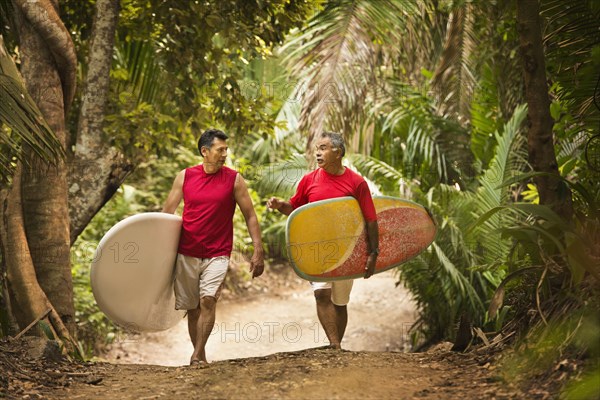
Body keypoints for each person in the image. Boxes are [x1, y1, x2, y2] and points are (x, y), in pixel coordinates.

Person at [267, 131, 379, 350]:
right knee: (321, 294)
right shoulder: (309, 180)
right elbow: (296, 211)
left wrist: (373, 254)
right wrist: (281, 205)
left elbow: (371, 220)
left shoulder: (357, 183)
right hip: (317, 248)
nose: (317, 153)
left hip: (346, 249)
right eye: (317, 149)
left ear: (338, 152)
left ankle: (336, 344)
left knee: (340, 301)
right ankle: (334, 345)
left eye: (323, 148)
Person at [162, 129, 265, 365]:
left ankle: (196, 354)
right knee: (192, 307)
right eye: (220, 150)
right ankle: (201, 354)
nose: (224, 154)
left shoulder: (234, 179)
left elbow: (250, 215)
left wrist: (258, 249)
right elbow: (167, 213)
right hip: (187, 251)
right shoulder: (185, 176)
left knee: (208, 299)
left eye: (226, 150)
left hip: (218, 252)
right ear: (204, 151)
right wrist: (158, 252)